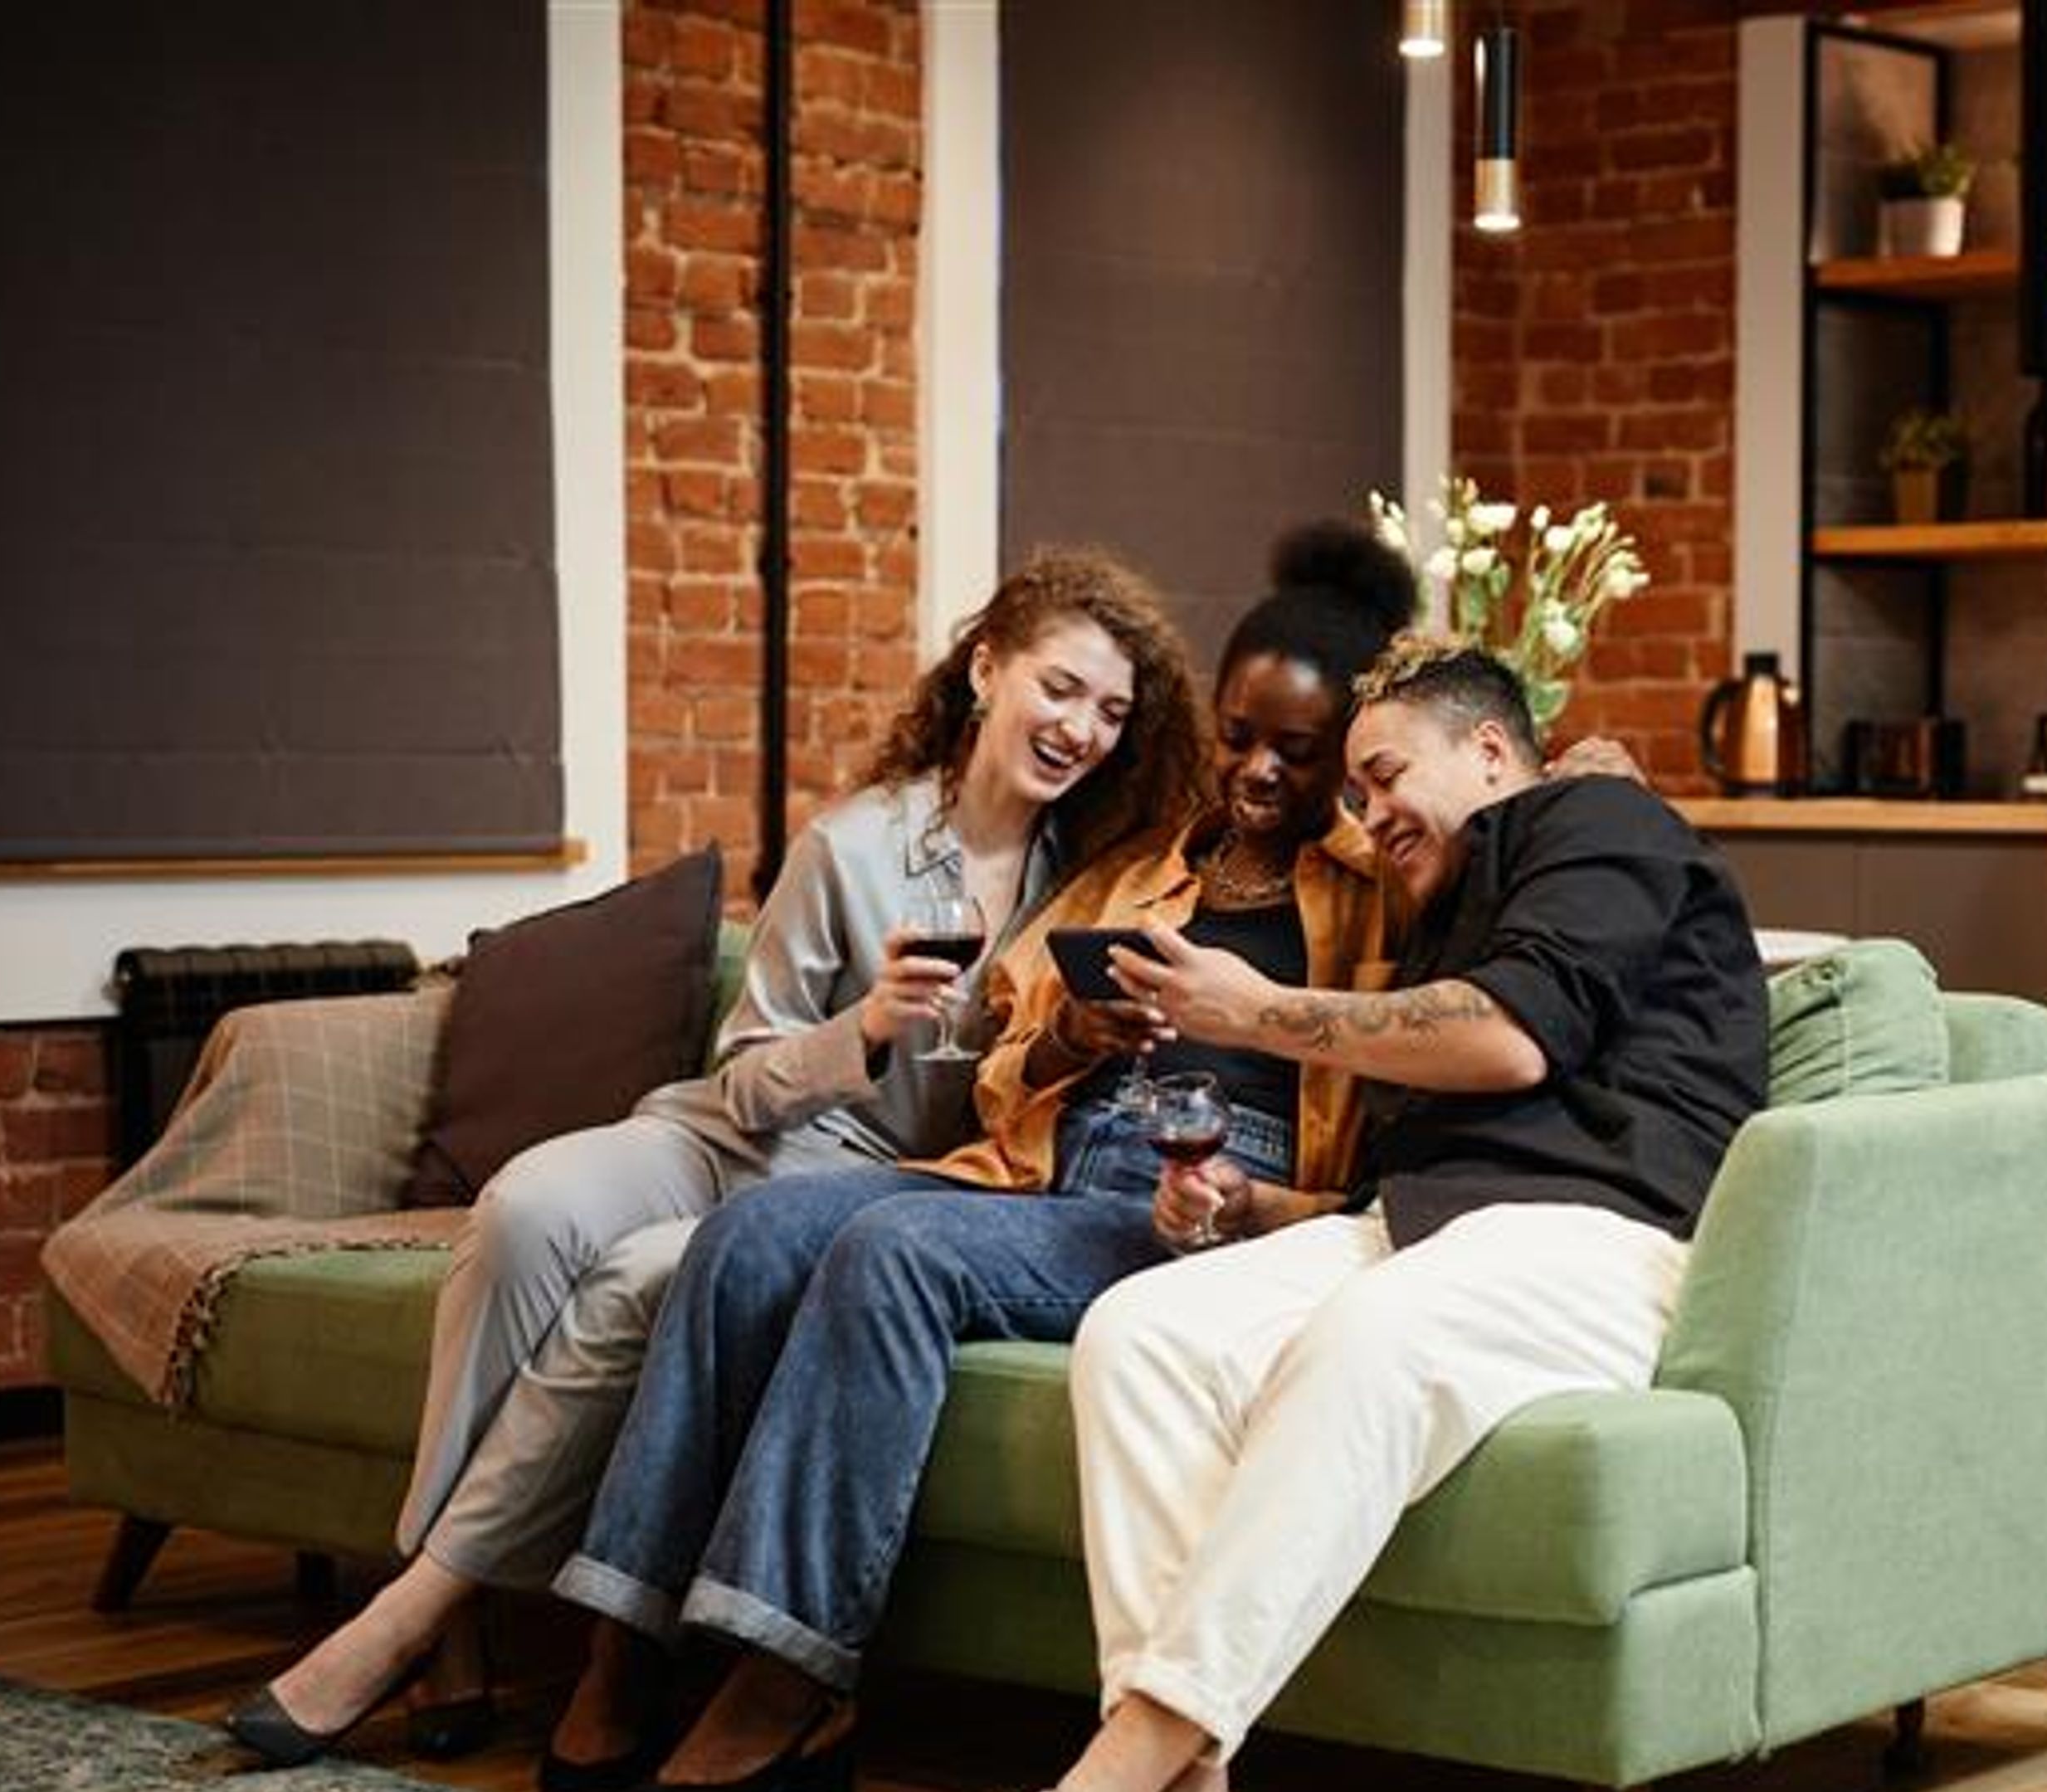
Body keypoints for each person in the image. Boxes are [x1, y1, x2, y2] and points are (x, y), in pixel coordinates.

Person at [225, 549, 1206, 1767]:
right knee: (524, 1207)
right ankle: (456, 1610)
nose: (1082, 729)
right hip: (729, 1132)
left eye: (1113, 711)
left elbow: (1037, 1099)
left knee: (642, 1278)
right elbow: (747, 1072)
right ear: (987, 665)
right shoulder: (853, 845)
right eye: (1060, 689)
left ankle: (415, 1610)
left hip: (857, 1187)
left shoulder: (1098, 882)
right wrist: (866, 1029)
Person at [534, 526, 1418, 1790]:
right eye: (1235, 736)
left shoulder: (1383, 890)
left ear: (1353, 754)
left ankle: (789, 1682)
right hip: (1041, 1166)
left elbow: (1409, 1061)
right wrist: (1072, 1031)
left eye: (1297, 749)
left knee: (896, 1250)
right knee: (744, 1241)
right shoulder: (1138, 867)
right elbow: (1004, 1051)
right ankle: (621, 1649)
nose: (1256, 772)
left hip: (1188, 1205)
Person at [1041, 639, 1769, 1792]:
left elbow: (1513, 1038)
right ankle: (1187, 1776)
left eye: (1384, 776)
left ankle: (1127, 1759)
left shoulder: (1595, 823)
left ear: (1490, 750)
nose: (1366, 812)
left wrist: (1264, 1010)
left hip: (1615, 1239)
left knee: (1377, 1332)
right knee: (1140, 1337)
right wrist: (1256, 1206)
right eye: (1358, 794)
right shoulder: (1437, 916)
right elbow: (1413, 1192)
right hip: (1430, 1240)